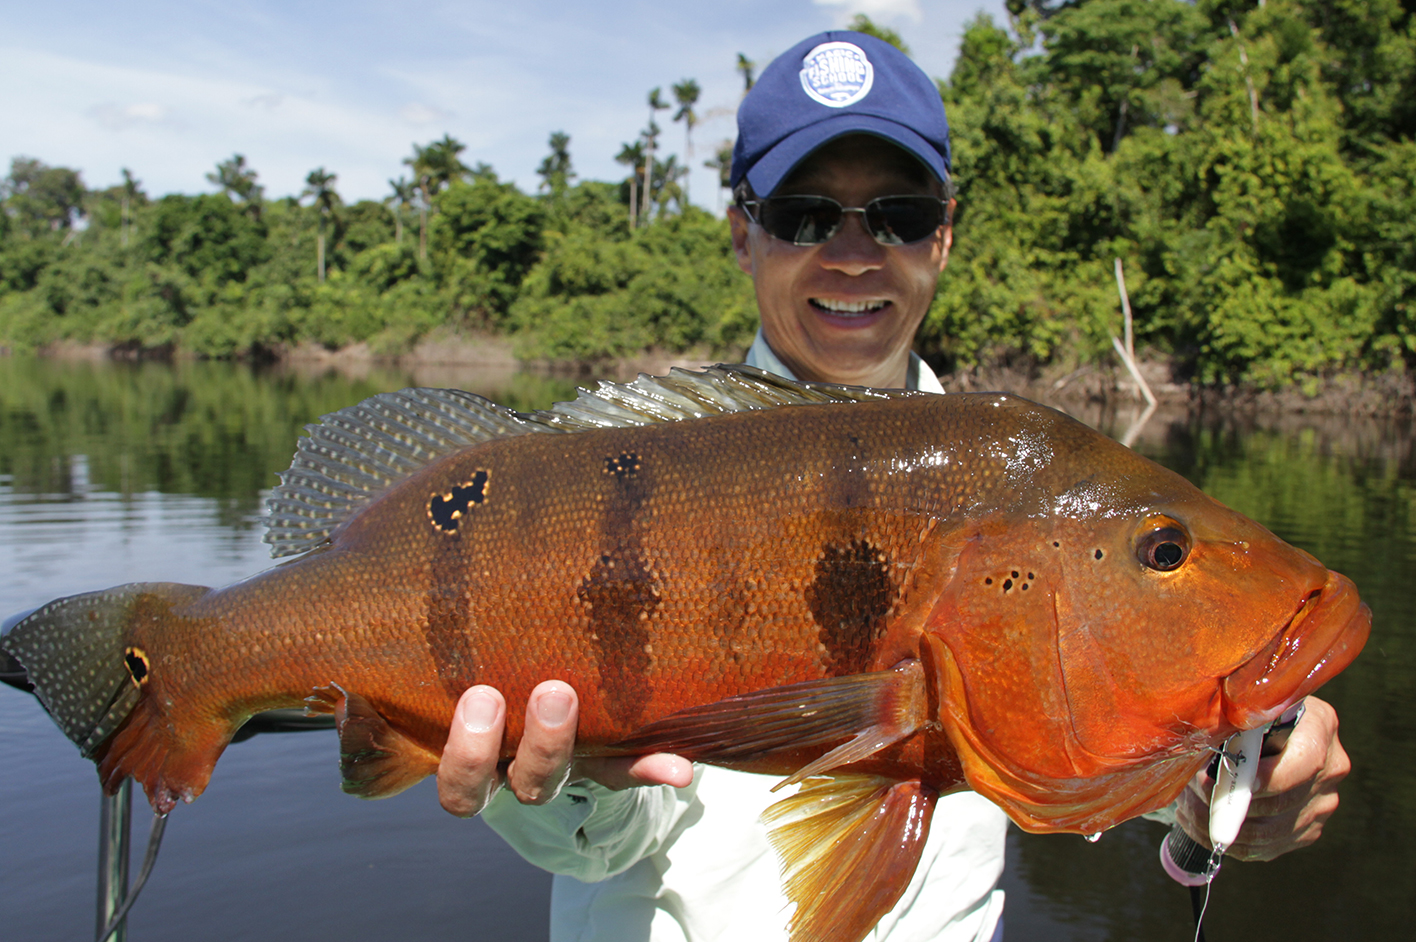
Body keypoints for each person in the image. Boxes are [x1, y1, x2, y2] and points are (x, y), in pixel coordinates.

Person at [435, 30, 1352, 941]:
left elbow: (1065, 728)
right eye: (804, 214)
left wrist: (1235, 779)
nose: (852, 252)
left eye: (899, 214)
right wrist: (556, 788)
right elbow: (610, 843)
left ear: (943, 235)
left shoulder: (1027, 496)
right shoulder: (645, 476)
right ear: (742, 233)